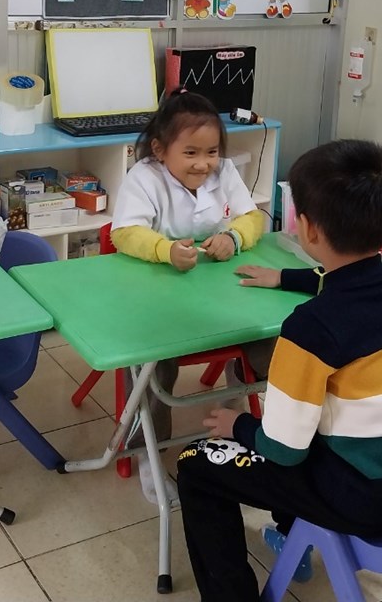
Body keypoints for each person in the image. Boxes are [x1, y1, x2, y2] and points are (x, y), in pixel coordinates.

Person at [175, 140, 382, 602]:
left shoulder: (309, 330)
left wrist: (239, 426)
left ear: (307, 228)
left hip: (360, 499)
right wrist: (286, 278)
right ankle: (293, 537)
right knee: (318, 420)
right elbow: (350, 281)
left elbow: (282, 450)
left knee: (197, 464)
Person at [110, 90, 273, 505]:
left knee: (268, 337)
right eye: (191, 153)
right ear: (160, 150)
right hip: (155, 297)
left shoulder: (223, 174)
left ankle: (238, 407)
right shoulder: (144, 177)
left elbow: (252, 217)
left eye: (212, 152)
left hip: (218, 295)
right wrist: (164, 249)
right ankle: (148, 454)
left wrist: (234, 237)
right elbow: (124, 233)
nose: (204, 164)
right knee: (151, 361)